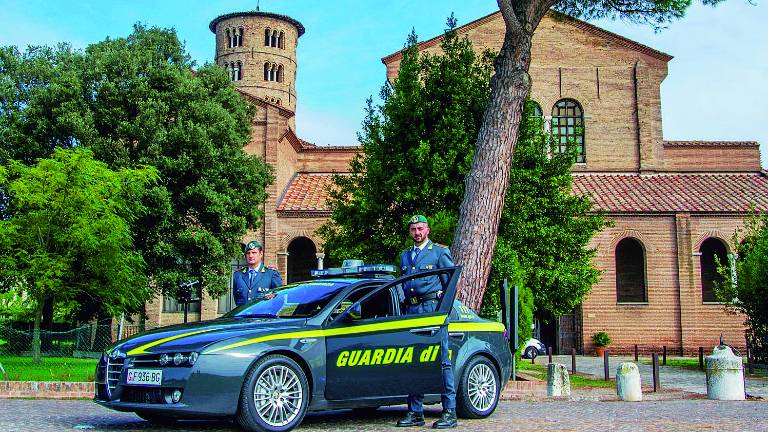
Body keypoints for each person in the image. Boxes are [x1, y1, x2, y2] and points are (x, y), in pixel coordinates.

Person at [396, 215, 457, 429]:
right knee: (414, 361)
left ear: (428, 230)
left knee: (441, 361)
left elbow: (451, 285)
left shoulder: (439, 253)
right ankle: (415, 412)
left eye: (420, 229)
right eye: (413, 229)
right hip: (411, 311)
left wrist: (443, 314)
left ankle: (449, 412)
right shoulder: (406, 256)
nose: (417, 233)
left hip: (432, 310)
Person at [233, 240, 282, 306]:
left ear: (261, 254)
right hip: (243, 315)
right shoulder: (238, 275)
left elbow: (279, 297)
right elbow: (236, 299)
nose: (250, 256)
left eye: (254, 253)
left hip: (263, 315)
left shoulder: (271, 274)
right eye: (248, 253)